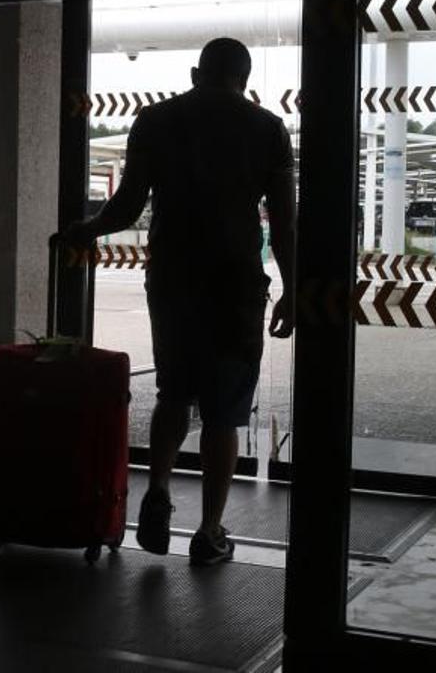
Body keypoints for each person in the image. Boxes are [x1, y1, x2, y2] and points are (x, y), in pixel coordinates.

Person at [66, 37, 296, 566]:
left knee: (174, 393)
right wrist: (292, 287)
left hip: (172, 277)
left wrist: (86, 229)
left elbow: (126, 207)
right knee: (224, 414)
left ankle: (159, 490)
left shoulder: (155, 120)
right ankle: (210, 531)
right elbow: (283, 222)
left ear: (197, 73)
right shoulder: (266, 128)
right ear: (244, 78)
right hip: (235, 284)